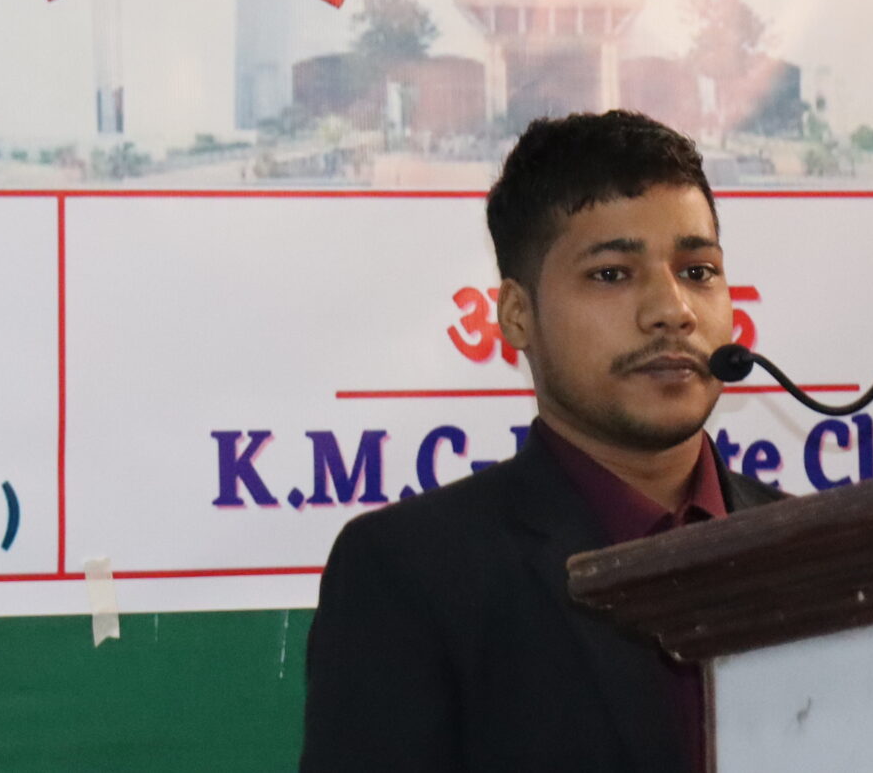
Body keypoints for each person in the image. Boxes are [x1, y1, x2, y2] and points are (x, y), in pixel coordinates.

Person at [299, 110, 781, 773]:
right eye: (612, 273)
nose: (672, 310)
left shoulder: (809, 548)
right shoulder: (411, 574)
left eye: (698, 270)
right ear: (517, 315)